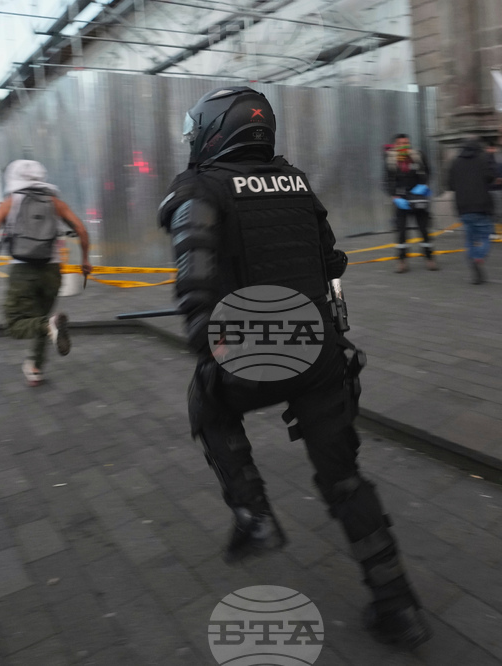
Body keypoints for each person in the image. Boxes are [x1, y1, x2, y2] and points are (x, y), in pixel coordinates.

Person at [158, 86, 431, 648]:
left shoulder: (201, 190)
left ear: (217, 130)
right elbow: (332, 263)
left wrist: (214, 358)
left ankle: (254, 514)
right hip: (318, 350)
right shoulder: (295, 181)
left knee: (205, 404)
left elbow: (195, 291)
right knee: (345, 479)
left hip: (253, 350)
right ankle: (398, 604)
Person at [0, 161, 91, 386]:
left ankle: (47, 330)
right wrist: (85, 260)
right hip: (51, 271)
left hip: (23, 270)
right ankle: (35, 368)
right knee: (45, 317)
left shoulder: (11, 201)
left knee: (15, 324)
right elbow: (81, 230)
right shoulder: (55, 202)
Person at [385, 134, 437, 273]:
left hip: (418, 198)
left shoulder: (417, 155)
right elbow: (387, 180)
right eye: (401, 143)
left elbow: (427, 172)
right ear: (396, 145)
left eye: (407, 143)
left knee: (424, 230)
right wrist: (393, 195)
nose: (405, 146)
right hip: (401, 200)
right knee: (401, 233)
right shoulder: (390, 159)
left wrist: (423, 186)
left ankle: (429, 258)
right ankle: (402, 261)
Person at [448, 136, 496, 284]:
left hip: (463, 207)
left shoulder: (455, 163)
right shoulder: (483, 159)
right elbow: (491, 177)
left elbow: (450, 185)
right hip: (481, 206)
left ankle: (473, 263)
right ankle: (478, 258)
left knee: (469, 240)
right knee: (485, 237)